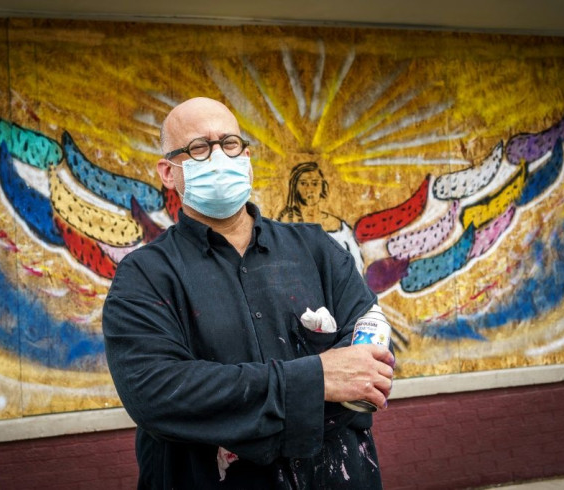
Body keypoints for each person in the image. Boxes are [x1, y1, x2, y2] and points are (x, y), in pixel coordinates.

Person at [102, 97, 395, 489]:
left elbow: (369, 369)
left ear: (247, 157)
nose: (219, 156)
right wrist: (318, 379)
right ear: (168, 172)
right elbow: (158, 394)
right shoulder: (144, 276)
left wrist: (234, 417)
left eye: (230, 143)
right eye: (200, 148)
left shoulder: (317, 249)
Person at [277, 161, 365, 273]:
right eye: (303, 183)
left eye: (315, 183)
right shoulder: (283, 223)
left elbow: (357, 265)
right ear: (295, 187)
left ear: (322, 187)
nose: (309, 189)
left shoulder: (338, 226)